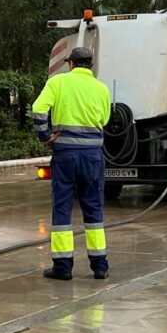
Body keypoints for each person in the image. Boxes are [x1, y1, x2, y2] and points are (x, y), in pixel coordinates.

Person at [32, 47, 111, 280]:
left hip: (65, 155)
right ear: (90, 65)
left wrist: (44, 136)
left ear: (71, 64)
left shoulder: (58, 83)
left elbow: (38, 109)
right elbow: (104, 119)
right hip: (92, 156)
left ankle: (63, 268)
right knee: (94, 208)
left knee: (62, 208)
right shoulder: (101, 88)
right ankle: (100, 266)